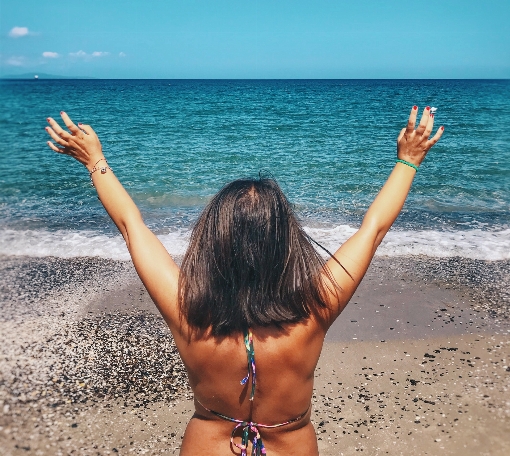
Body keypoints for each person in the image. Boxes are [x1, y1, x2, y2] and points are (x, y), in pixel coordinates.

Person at [46, 105, 443, 456]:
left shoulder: (187, 310)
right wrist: (408, 160)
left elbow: (132, 227)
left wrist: (95, 160)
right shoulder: (315, 308)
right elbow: (372, 229)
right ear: (285, 242)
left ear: (213, 242)